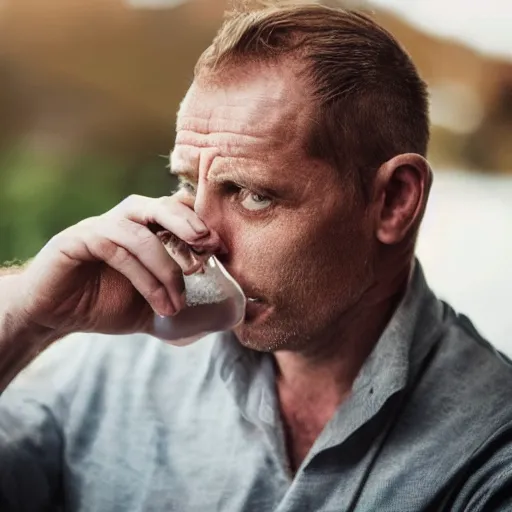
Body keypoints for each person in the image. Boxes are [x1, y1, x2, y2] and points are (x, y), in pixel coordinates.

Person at [1, 2, 511, 511]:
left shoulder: (488, 452)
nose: (195, 236)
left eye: (253, 194)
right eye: (186, 184)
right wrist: (28, 316)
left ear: (395, 200)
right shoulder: (109, 357)